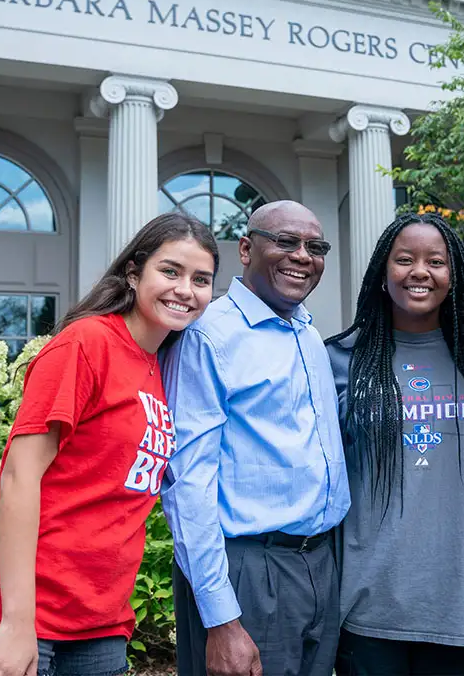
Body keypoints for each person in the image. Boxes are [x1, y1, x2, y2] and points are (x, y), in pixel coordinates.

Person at [0, 212, 218, 676]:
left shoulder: (160, 366)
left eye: (201, 279)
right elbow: (20, 477)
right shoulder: (86, 343)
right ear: (133, 271)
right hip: (11, 613)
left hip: (99, 623)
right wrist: (17, 622)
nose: (185, 289)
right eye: (170, 271)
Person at [162, 200, 350, 676]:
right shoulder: (209, 336)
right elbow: (187, 485)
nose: (303, 256)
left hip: (319, 564)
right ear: (246, 249)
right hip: (247, 571)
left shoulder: (306, 332)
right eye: (286, 242)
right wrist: (222, 618)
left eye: (315, 246)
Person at [325, 212, 464, 676]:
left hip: (461, 610)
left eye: (436, 261)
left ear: (454, 276)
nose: (420, 271)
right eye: (404, 259)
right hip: (368, 609)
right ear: (383, 275)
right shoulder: (341, 360)